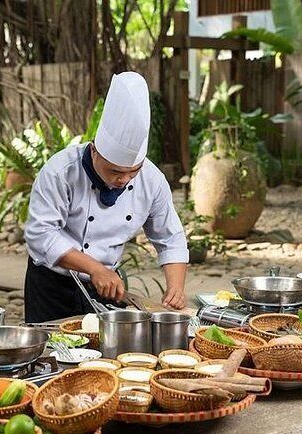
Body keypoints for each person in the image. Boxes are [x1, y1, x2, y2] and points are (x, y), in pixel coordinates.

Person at [24, 72, 189, 323]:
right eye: (115, 171)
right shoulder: (60, 172)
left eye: (133, 172)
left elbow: (170, 237)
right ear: (94, 151)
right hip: (51, 286)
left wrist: (175, 286)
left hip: (105, 286)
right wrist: (94, 267)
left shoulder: (152, 179)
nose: (123, 180)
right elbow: (41, 234)